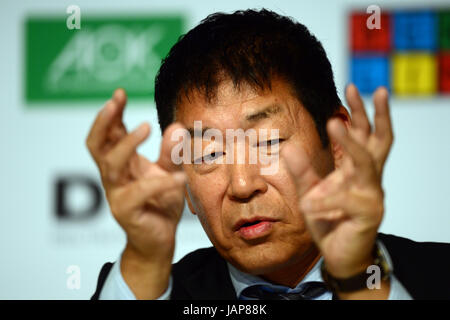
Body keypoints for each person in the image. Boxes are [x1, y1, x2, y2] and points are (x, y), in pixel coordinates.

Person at [87, 9, 450, 300]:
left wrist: (357, 278)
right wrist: (146, 261)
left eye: (268, 142)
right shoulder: (148, 289)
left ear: (338, 141)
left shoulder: (438, 276)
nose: (242, 185)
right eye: (209, 154)